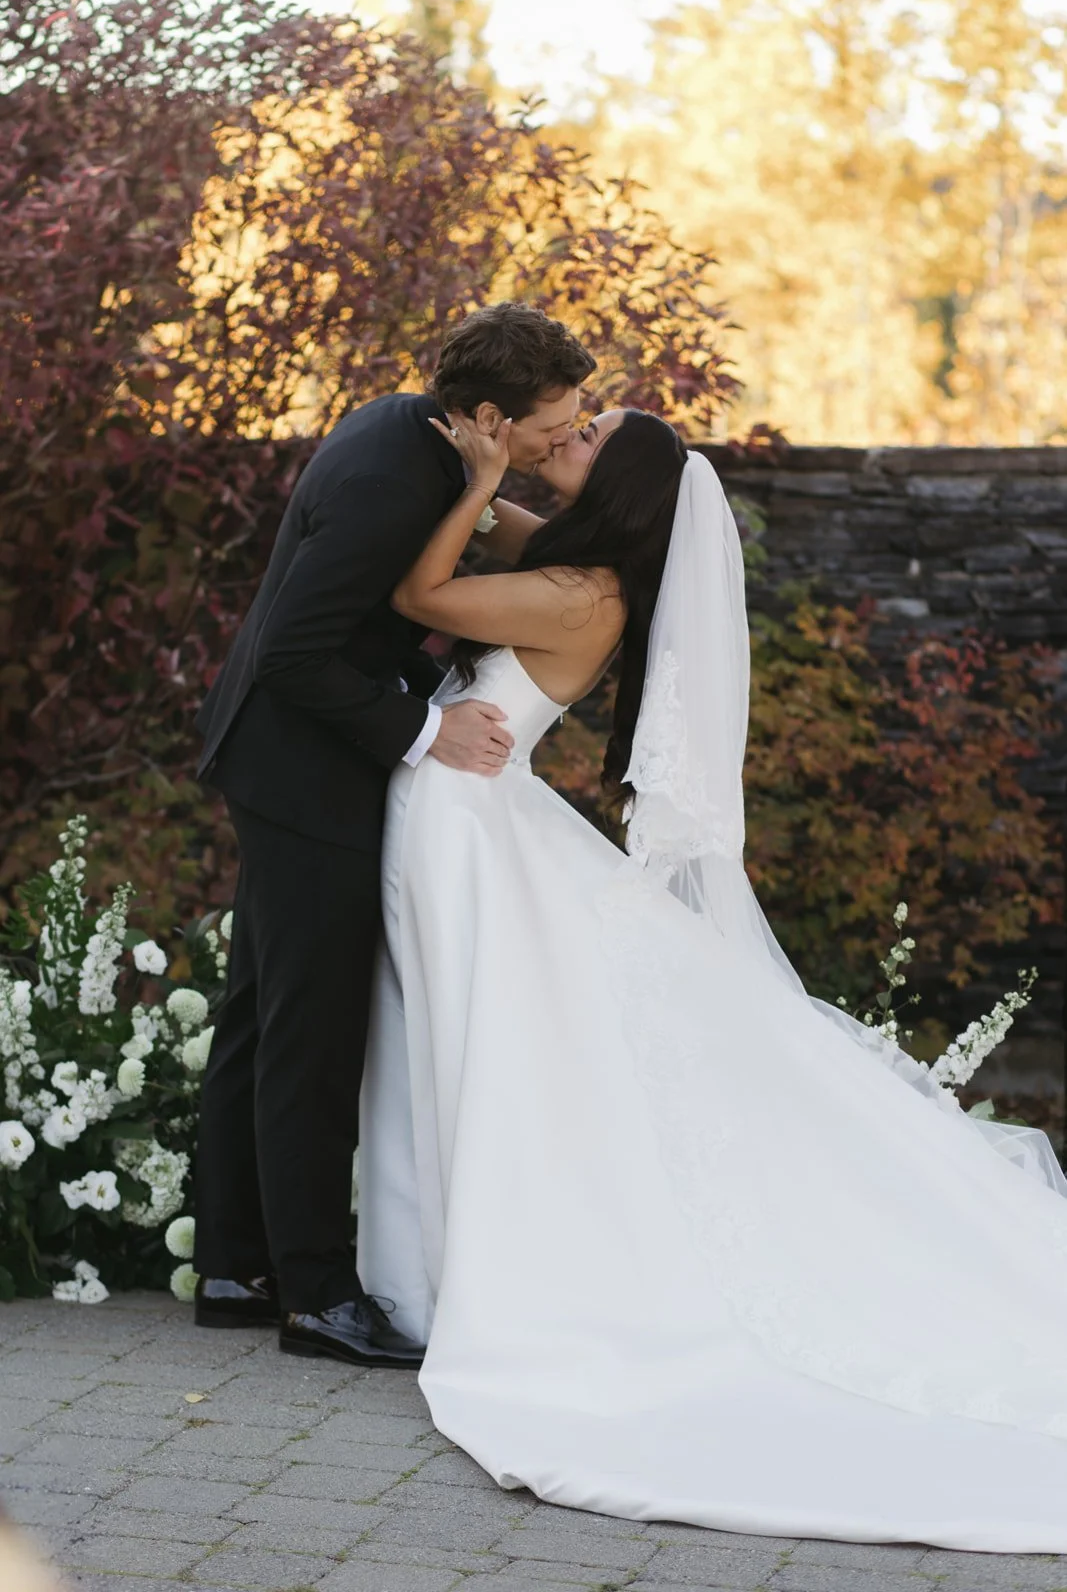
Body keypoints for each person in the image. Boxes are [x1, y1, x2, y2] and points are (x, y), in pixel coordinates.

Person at [358, 405, 1067, 1552]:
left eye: (588, 436)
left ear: (623, 487)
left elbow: (419, 596)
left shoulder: (579, 594)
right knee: (479, 1025)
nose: (571, 437)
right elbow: (495, 528)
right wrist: (490, 476)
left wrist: (478, 482)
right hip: (471, 811)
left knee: (487, 1029)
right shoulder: (575, 566)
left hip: (467, 819)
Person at [191, 303, 596, 1366]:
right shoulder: (388, 479)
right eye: (551, 424)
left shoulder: (413, 436)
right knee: (311, 1034)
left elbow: (364, 623)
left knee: (259, 1013)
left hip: (286, 756)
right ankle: (317, 1297)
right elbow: (293, 650)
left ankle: (235, 1264)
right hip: (303, 773)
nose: (562, 438)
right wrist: (427, 727)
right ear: (489, 416)